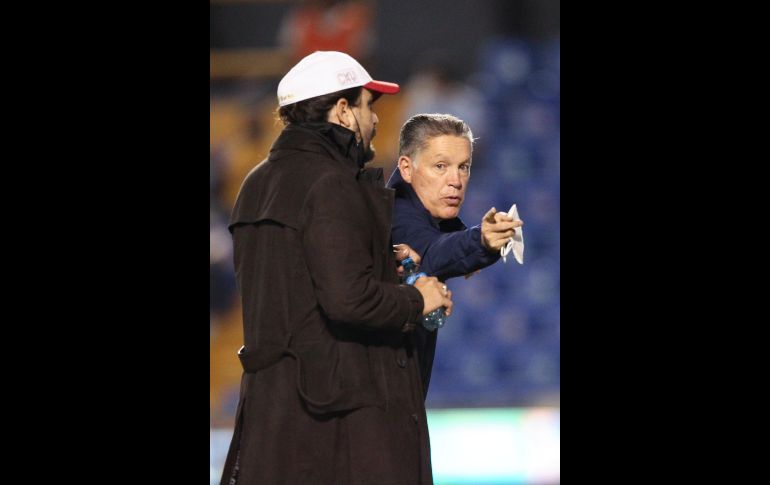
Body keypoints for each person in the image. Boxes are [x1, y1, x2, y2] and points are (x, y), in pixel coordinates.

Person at [220, 51, 453, 485]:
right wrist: (416, 298)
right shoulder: (330, 181)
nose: (376, 120)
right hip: (337, 425)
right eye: (368, 105)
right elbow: (348, 298)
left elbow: (301, 290)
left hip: (271, 418)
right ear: (343, 110)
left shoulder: (254, 183)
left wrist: (387, 265)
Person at [386, 113, 523, 398]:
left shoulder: (426, 213)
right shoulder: (395, 216)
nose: (456, 180)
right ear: (407, 168)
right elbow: (430, 252)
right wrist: (480, 241)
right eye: (440, 166)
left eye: (464, 167)